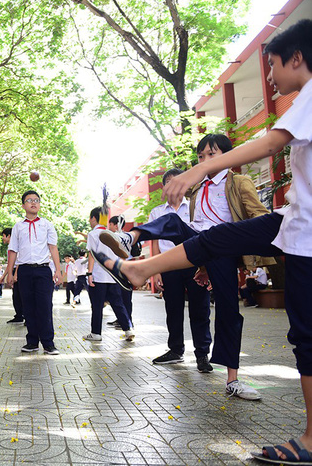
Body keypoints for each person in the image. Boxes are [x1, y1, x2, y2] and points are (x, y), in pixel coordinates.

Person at [94, 19, 312, 464]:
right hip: (291, 222)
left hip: (300, 231)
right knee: (205, 234)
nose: (268, 76)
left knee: (302, 334)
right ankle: (135, 259)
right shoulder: (301, 100)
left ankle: (309, 438)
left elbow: (271, 143)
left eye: (272, 65)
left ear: (297, 58)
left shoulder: (308, 99)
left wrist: (199, 171)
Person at [101, 133, 273, 400]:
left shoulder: (238, 182)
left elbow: (260, 218)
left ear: (227, 156)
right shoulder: (197, 188)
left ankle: (232, 379)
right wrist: (201, 263)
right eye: (200, 156)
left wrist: (247, 254)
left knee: (228, 312)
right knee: (173, 221)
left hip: (224, 249)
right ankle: (130, 237)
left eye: (211, 154)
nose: (204, 160)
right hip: (199, 244)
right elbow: (196, 225)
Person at [147, 169, 213, 372]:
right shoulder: (158, 212)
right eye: (168, 182)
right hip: (168, 266)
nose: (173, 185)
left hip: (194, 265)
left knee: (200, 310)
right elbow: (154, 243)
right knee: (173, 309)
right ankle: (176, 350)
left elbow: (205, 236)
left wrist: (207, 267)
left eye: (177, 181)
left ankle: (202, 354)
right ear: (165, 187)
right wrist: (155, 270)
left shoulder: (195, 207)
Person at [6, 191, 61, 354]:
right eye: (29, 200)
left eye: (36, 200)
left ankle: (48, 343)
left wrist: (58, 270)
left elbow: (53, 247)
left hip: (43, 270)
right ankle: (32, 342)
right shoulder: (18, 226)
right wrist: (10, 272)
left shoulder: (47, 224)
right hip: (24, 271)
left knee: (44, 306)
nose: (33, 203)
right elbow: (13, 250)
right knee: (28, 307)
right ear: (23, 205)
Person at [84, 207, 134, 342]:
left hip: (99, 276)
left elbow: (92, 255)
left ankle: (96, 333)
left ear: (94, 218)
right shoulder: (113, 234)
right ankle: (128, 330)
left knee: (97, 305)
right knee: (118, 304)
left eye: (90, 219)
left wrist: (89, 273)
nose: (89, 221)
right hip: (113, 276)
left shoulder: (93, 234)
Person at [108, 215, 133, 324]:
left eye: (110, 224)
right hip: (128, 270)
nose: (109, 227)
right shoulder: (128, 236)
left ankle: (127, 321)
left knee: (123, 297)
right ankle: (123, 320)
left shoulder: (117, 236)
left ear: (116, 225)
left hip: (122, 270)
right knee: (125, 298)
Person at [0, 227, 24, 324]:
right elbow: (10, 264)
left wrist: (15, 275)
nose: (2, 238)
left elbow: (19, 262)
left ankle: (26, 316)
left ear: (8, 236)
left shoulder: (16, 246)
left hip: (18, 271)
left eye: (3, 236)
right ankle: (19, 315)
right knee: (16, 296)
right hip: (13, 271)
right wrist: (3, 276)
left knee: (21, 295)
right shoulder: (10, 247)